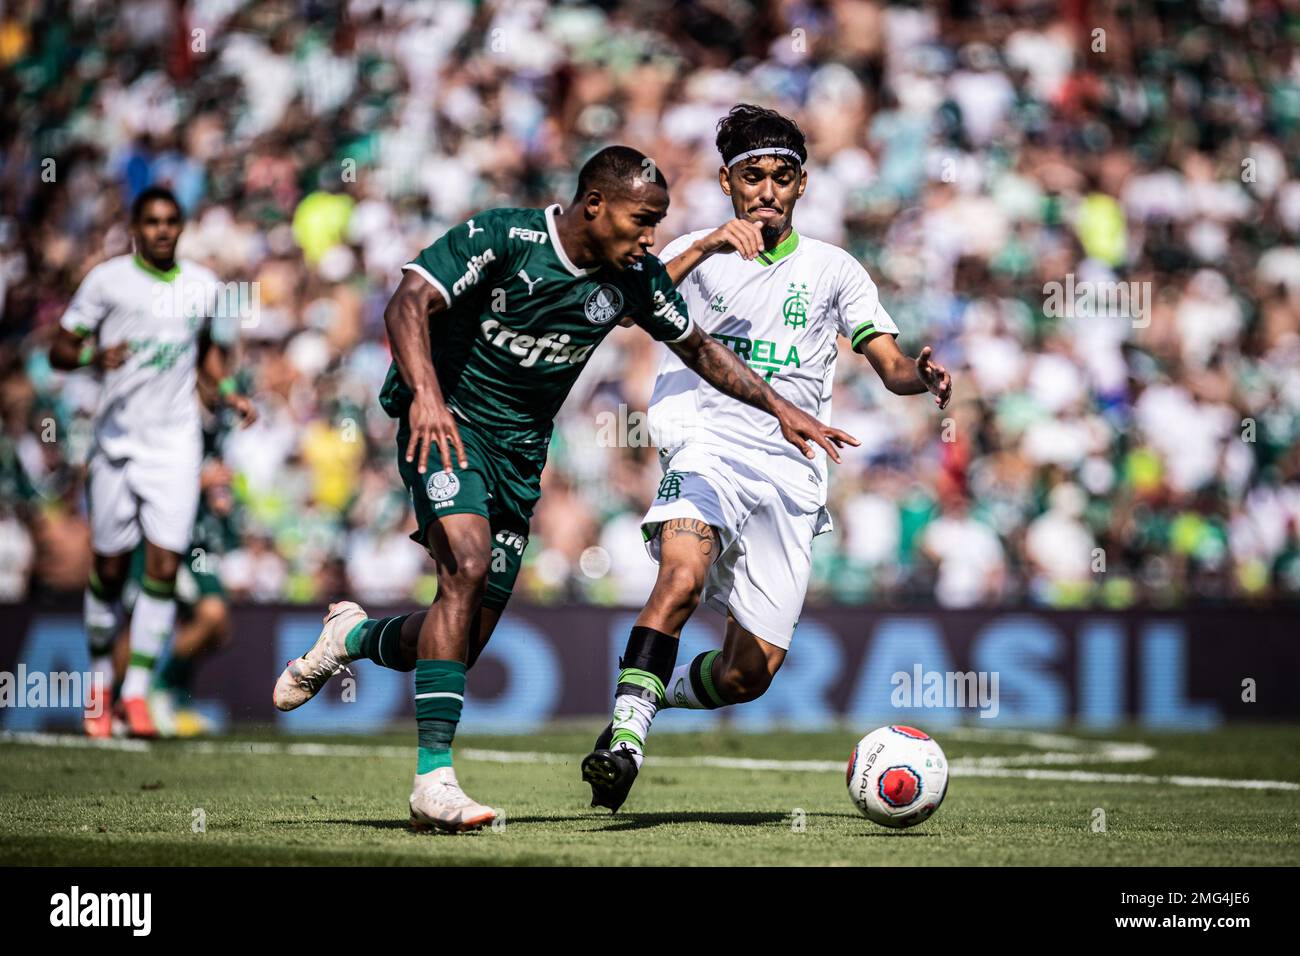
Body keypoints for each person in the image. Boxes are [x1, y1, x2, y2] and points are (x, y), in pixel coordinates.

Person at [271, 145, 856, 833]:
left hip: (521, 452)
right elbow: (407, 303)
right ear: (595, 205)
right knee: (462, 561)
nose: (651, 237)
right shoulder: (504, 237)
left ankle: (352, 637)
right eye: (643, 220)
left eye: (659, 223)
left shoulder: (633, 276)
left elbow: (699, 348)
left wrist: (780, 407)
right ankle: (433, 780)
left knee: (454, 639)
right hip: (448, 422)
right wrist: (426, 398)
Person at [582, 106, 953, 812]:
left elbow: (889, 364)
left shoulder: (835, 270)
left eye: (782, 178)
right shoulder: (695, 253)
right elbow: (626, 305)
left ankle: (649, 698)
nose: (767, 192)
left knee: (749, 675)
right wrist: (707, 247)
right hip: (707, 445)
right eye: (753, 177)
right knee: (682, 575)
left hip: (790, 469)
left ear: (802, 185)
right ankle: (623, 743)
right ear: (727, 182)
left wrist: (921, 378)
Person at [49, 186, 254, 738]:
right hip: (116, 442)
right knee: (111, 570)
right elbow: (59, 350)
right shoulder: (107, 280)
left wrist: (229, 391)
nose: (163, 230)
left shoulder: (202, 285)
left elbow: (209, 349)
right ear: (136, 227)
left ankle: (135, 694)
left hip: (174, 445)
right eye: (153, 221)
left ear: (181, 227)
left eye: (171, 221)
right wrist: (94, 354)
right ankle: (98, 685)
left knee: (164, 564)